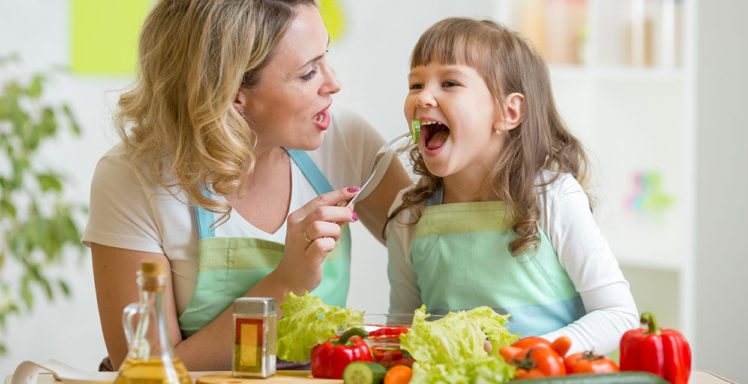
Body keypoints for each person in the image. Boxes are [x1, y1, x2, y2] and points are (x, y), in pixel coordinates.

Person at [83, 0, 410, 371]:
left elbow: (432, 244)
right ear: (233, 91)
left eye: (325, 58)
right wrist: (287, 283)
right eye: (308, 73)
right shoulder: (133, 179)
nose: (334, 84)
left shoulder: (343, 139)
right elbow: (144, 372)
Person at [385, 17, 639, 355]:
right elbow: (403, 331)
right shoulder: (408, 214)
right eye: (415, 85)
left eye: (448, 83)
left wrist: (526, 354)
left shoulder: (553, 196)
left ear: (508, 112)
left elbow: (619, 316)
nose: (423, 98)